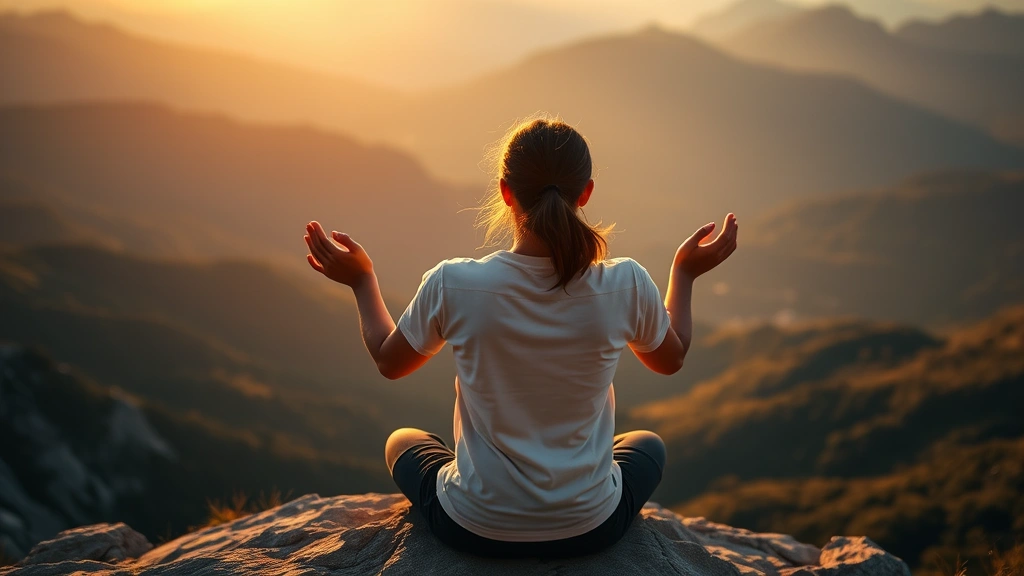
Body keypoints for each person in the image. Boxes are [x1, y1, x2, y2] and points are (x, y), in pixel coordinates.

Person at [303, 117, 738, 558]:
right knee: (646, 443)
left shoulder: (453, 284)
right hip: (590, 527)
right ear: (585, 193)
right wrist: (683, 274)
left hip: (473, 527)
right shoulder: (626, 283)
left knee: (402, 440)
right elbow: (671, 358)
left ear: (505, 191)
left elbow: (389, 361)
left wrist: (362, 281)